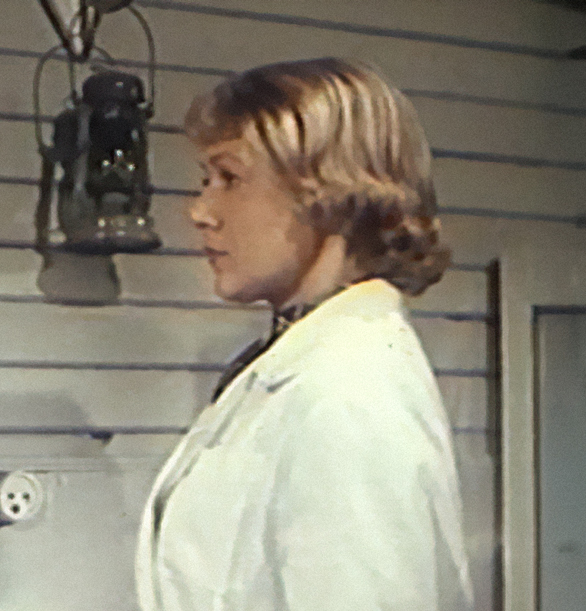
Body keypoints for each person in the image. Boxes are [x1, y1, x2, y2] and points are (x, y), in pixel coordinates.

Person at [134, 58, 473, 611]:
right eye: (205, 181)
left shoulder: (349, 394)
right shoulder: (306, 364)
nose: (201, 211)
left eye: (230, 179)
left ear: (331, 197)